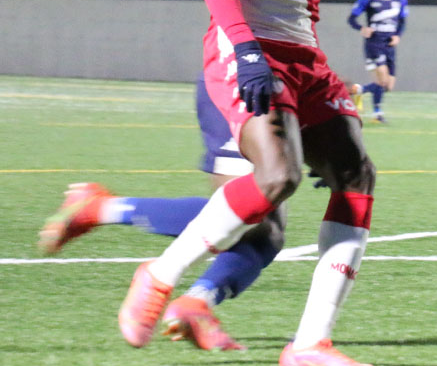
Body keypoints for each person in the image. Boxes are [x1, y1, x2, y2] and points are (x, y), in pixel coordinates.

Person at [116, 0, 379, 366]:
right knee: (278, 178)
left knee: (357, 175)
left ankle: (310, 344)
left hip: (305, 59)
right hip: (250, 50)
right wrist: (245, 47)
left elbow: (301, 7)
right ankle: (158, 276)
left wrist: (324, 88)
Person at [38, 75, 283, 352]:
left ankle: (196, 302)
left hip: (284, 82)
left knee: (267, 234)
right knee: (252, 214)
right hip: (246, 79)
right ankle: (102, 210)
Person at [348, 0, 408, 123]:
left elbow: (402, 21)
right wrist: (362, 28)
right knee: (382, 80)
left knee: (388, 86)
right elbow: (351, 19)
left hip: (390, 45)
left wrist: (397, 36)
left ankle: (358, 90)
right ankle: (377, 114)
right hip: (374, 43)